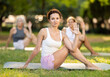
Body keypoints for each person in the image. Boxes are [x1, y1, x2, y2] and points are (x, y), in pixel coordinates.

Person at [21, 9, 101, 70]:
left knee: (69, 47)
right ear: (49, 20)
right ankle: (89, 65)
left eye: (57, 18)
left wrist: (77, 34)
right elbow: (37, 49)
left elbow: (73, 49)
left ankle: (88, 64)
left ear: (60, 20)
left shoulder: (62, 34)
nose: (55, 21)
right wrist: (26, 64)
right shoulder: (44, 31)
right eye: (52, 19)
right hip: (47, 62)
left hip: (56, 61)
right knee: (67, 46)